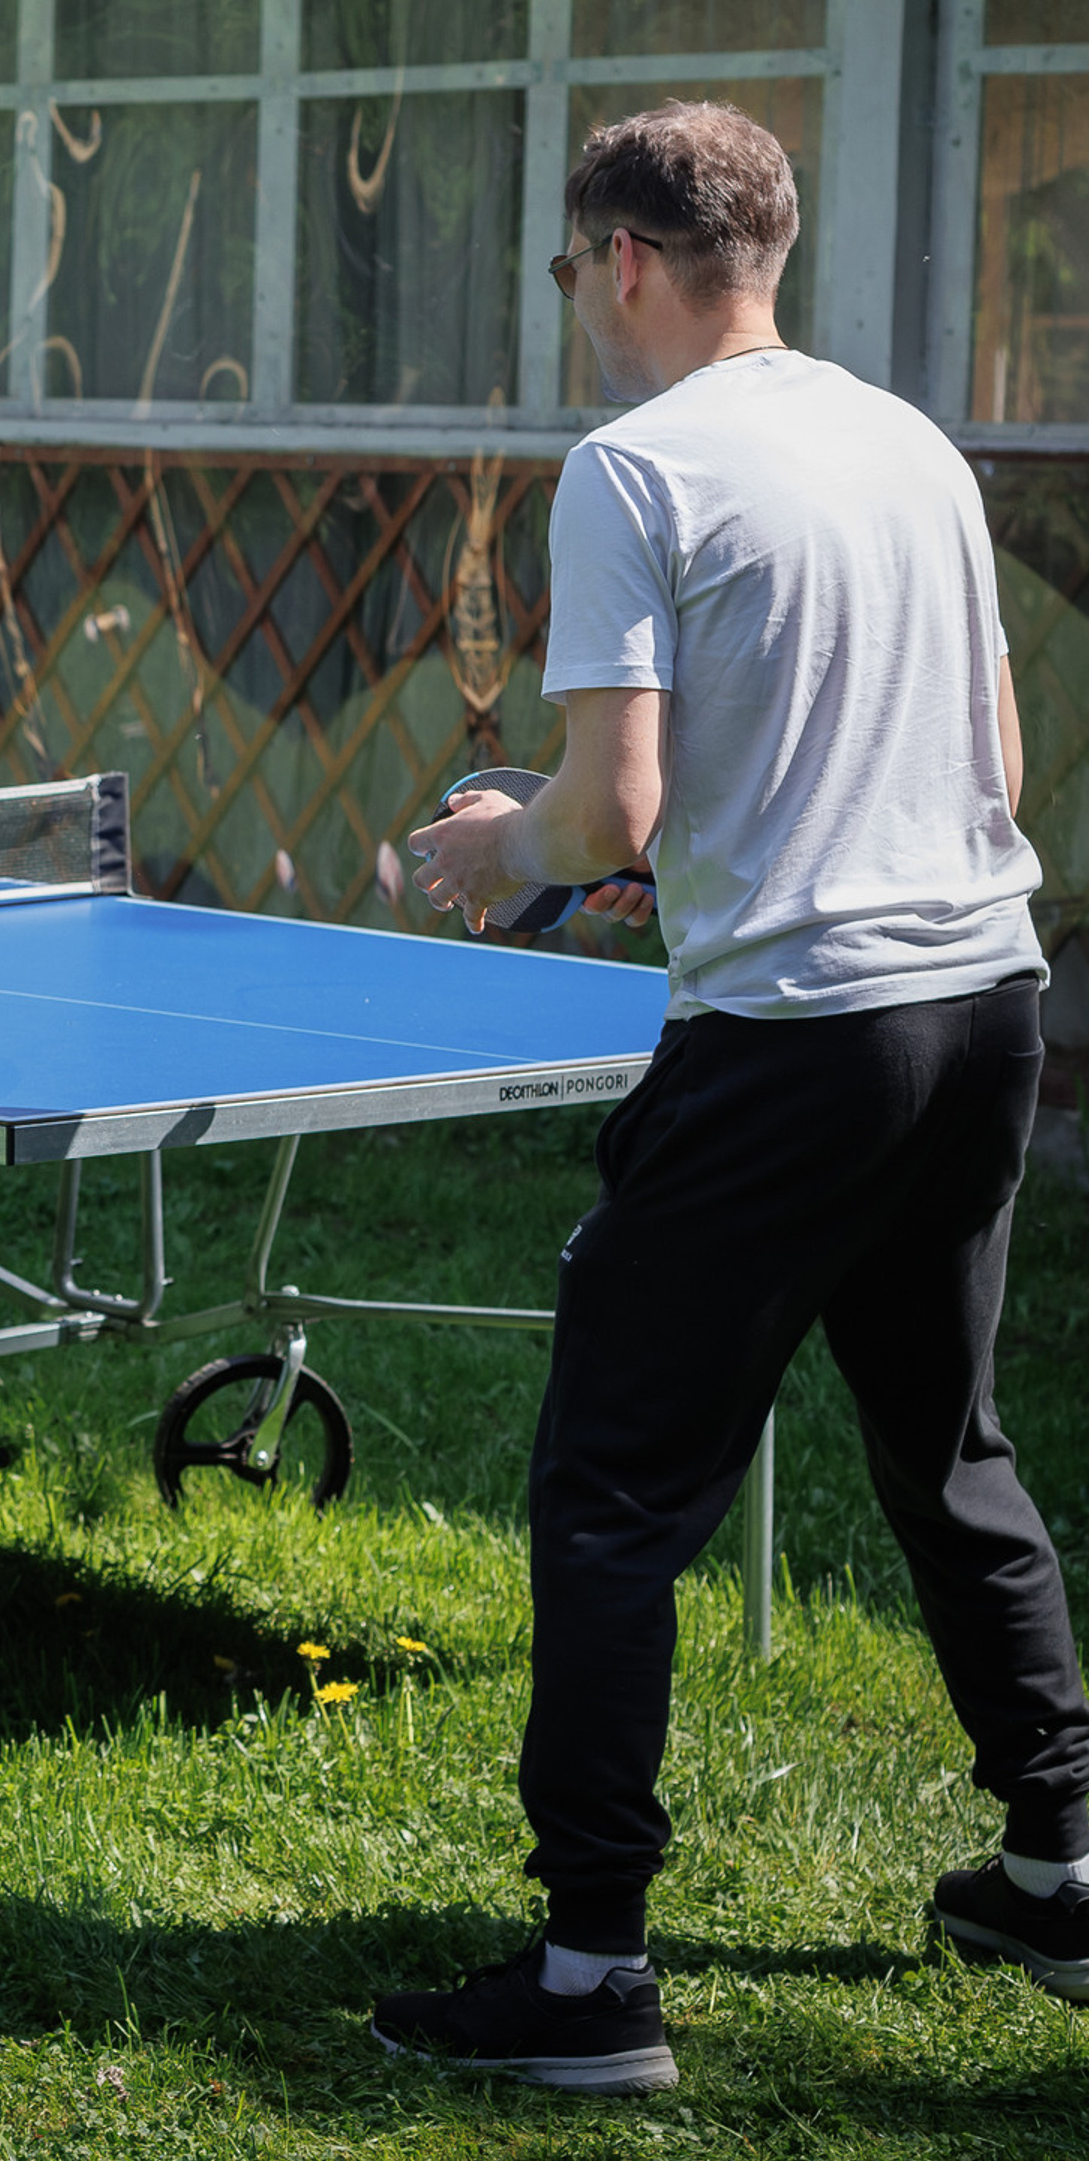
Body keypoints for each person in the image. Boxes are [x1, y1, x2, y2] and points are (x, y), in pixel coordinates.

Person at [372, 103, 1086, 2095]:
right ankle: (1060, 1864)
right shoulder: (905, 441)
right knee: (947, 1447)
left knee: (608, 1496)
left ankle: (590, 1976)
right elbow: (990, 760)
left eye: (560, 271)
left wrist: (486, 850)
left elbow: (606, 806)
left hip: (790, 1040)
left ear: (615, 257)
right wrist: (624, 836)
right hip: (978, 1004)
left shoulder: (625, 466)